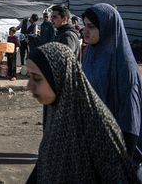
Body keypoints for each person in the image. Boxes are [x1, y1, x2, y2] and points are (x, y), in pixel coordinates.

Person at [25, 42, 137, 183]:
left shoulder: (96, 122)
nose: (29, 85)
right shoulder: (54, 109)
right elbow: (44, 162)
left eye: (37, 78)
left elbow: (117, 177)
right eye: (29, 76)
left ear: (59, 76)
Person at [82, 3, 142, 163]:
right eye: (84, 25)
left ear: (107, 28)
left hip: (118, 146)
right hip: (94, 141)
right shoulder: (89, 53)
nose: (85, 31)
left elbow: (130, 118)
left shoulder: (124, 65)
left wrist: (122, 164)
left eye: (91, 26)